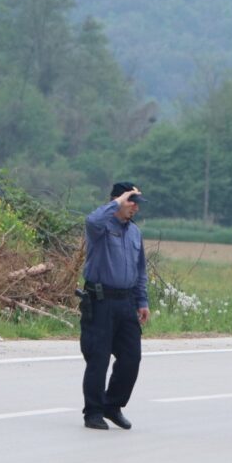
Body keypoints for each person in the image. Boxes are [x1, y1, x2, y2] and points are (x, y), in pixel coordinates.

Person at [79, 181, 150, 431]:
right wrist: (118, 201)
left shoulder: (134, 233)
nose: (135, 208)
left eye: (137, 203)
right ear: (118, 200)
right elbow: (91, 220)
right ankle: (94, 412)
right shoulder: (102, 227)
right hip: (100, 301)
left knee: (132, 358)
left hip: (126, 302)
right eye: (132, 201)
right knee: (98, 358)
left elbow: (141, 270)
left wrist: (142, 301)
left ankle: (113, 405)